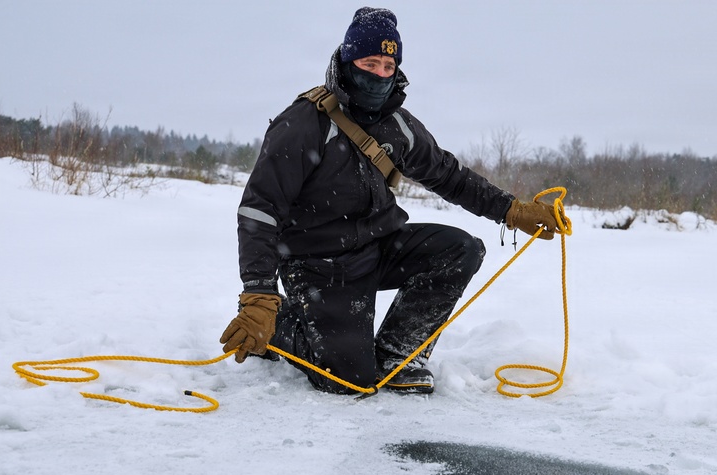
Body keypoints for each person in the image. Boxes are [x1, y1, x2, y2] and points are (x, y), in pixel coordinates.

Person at [220, 7, 560, 395]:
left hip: (378, 247)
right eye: (369, 63)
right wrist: (259, 293)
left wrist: (511, 210)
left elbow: (449, 175)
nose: (380, 74)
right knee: (348, 380)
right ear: (347, 62)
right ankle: (279, 325)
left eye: (388, 65)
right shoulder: (302, 124)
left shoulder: (397, 124)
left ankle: (399, 354)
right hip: (318, 264)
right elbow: (260, 210)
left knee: (460, 249)